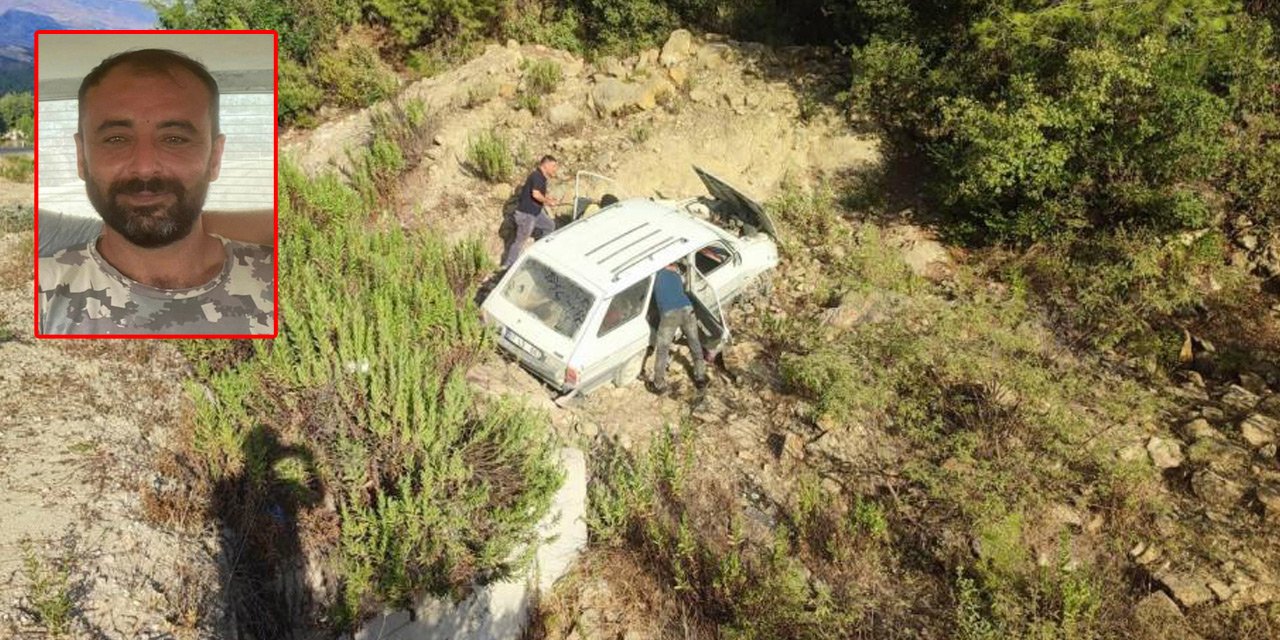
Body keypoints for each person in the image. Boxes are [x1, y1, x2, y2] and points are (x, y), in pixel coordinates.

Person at [38, 48, 274, 335]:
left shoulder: (289, 278)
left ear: (215, 158)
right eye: (115, 139)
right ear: (81, 157)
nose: (146, 167)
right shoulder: (41, 293)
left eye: (174, 139)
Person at [647, 262, 708, 395]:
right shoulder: (676, 274)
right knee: (695, 343)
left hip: (670, 314)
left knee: (663, 349)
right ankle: (700, 378)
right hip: (687, 309)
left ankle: (659, 384)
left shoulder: (653, 274)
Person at [501, 155, 559, 269]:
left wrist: (548, 198)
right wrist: (548, 202)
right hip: (526, 215)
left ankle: (540, 252)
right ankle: (508, 266)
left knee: (550, 226)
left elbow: (538, 192)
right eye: (553, 166)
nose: (555, 169)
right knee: (520, 241)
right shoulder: (536, 176)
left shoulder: (541, 177)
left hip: (535, 213)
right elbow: (535, 194)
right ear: (545, 164)